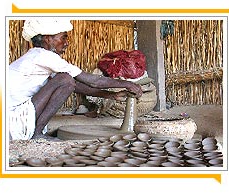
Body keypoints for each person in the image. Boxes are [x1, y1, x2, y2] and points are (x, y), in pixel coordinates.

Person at [8, 18, 143, 141]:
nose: (66, 43)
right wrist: (127, 84)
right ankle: (37, 134)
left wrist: (112, 95)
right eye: (63, 38)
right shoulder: (44, 57)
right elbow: (92, 81)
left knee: (66, 80)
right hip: (12, 121)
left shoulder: (37, 57)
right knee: (65, 79)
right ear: (48, 39)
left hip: (12, 118)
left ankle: (36, 132)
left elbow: (76, 85)